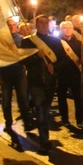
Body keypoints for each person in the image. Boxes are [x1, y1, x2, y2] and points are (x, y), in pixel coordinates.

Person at [21, 14, 65, 155]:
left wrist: (55, 66)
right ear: (36, 24)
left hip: (51, 82)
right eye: (41, 22)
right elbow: (23, 60)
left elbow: (64, 60)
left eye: (46, 22)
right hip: (36, 82)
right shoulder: (28, 41)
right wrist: (35, 56)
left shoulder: (55, 41)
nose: (44, 25)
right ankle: (44, 141)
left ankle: (44, 137)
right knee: (41, 111)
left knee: (45, 111)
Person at [0, 18, 33, 133]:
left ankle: (27, 122)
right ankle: (8, 123)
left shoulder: (21, 39)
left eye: (13, 25)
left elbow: (27, 56)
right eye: (9, 25)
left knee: (23, 99)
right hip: (5, 72)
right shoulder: (0, 40)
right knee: (6, 100)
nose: (12, 27)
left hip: (19, 73)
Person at [57, 20, 83, 126]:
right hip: (61, 74)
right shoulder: (57, 43)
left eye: (70, 27)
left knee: (78, 98)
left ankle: (80, 119)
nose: (68, 29)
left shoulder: (78, 43)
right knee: (62, 98)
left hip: (75, 74)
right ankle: (64, 119)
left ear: (73, 30)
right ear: (61, 30)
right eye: (65, 28)